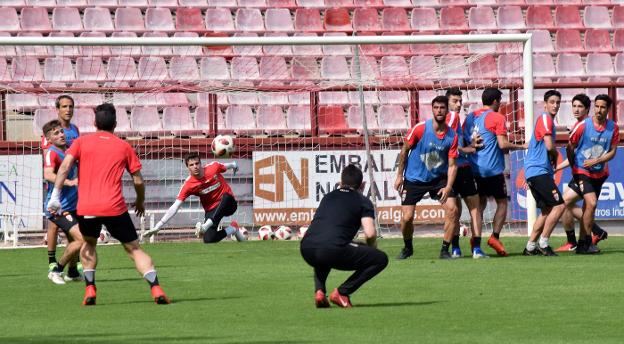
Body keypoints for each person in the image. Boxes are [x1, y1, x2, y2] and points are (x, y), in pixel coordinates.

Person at [47, 103, 170, 305]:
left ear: (95, 123)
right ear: (115, 124)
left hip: (87, 207)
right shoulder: (124, 146)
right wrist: (140, 201)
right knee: (134, 249)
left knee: (89, 244)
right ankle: (155, 287)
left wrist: (56, 195)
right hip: (114, 207)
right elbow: (138, 180)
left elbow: (65, 167)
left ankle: (90, 289)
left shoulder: (80, 143)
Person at [300, 164, 388, 308]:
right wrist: (372, 250)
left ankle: (320, 291)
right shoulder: (363, 201)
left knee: (325, 248)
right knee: (381, 259)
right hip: (331, 249)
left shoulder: (327, 197)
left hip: (306, 247)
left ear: (340, 182)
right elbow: (370, 233)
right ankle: (342, 292)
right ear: (363, 185)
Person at [463, 88, 527, 257]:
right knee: (502, 203)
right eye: (500, 101)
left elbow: (465, 139)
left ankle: (475, 239)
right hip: (492, 170)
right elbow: (503, 144)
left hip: (474, 168)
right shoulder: (497, 117)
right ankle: (494, 237)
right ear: (495, 101)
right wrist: (522, 146)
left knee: (479, 207)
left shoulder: (471, 117)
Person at [395, 96, 459, 260]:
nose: (439, 110)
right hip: (414, 179)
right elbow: (404, 151)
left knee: (453, 210)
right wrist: (399, 176)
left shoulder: (452, 136)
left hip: (438, 180)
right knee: (407, 218)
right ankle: (408, 247)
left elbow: (452, 165)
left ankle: (445, 250)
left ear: (446, 110)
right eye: (436, 107)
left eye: (442, 108)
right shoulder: (420, 129)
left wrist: (448, 186)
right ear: (432, 109)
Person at [141, 153, 245, 243]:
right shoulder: (188, 184)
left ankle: (205, 226)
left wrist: (234, 165)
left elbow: (226, 165)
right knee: (209, 239)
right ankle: (233, 229)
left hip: (229, 204)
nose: (195, 166)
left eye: (197, 163)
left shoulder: (213, 167)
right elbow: (175, 206)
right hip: (211, 210)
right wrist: (157, 226)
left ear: (201, 163)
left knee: (226, 196)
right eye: (191, 165)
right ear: (188, 167)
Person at [563, 94, 619, 254]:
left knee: (589, 207)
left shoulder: (613, 128)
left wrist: (597, 161)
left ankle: (582, 245)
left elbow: (613, 151)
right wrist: (575, 167)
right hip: (582, 171)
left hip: (599, 174)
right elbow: (570, 147)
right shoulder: (583, 126)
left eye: (603, 107)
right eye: (597, 106)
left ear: (608, 110)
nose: (599, 110)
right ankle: (585, 239)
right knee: (591, 203)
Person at [445, 88, 487, 259]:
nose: (459, 104)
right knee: (475, 208)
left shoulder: (447, 120)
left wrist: (469, 142)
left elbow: (451, 140)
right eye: (455, 101)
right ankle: (476, 249)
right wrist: (468, 149)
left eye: (460, 101)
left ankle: (455, 249)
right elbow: (450, 143)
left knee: (454, 210)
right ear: (447, 101)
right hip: (460, 168)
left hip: (447, 171)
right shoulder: (453, 117)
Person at [522, 90, 566, 256]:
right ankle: (544, 243)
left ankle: (530, 247)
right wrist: (555, 156)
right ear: (545, 103)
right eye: (552, 102)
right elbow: (549, 146)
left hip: (535, 171)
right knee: (559, 205)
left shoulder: (546, 121)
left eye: (558, 102)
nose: (555, 105)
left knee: (547, 209)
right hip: (538, 170)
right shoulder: (545, 119)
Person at [42, 120, 85, 284]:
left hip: (74, 205)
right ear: (48, 138)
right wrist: (70, 182)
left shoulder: (70, 150)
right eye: (56, 133)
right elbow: (48, 174)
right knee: (81, 239)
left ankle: (73, 272)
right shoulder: (51, 152)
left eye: (61, 132)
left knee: (75, 241)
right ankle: (56, 270)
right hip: (59, 207)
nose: (61, 135)